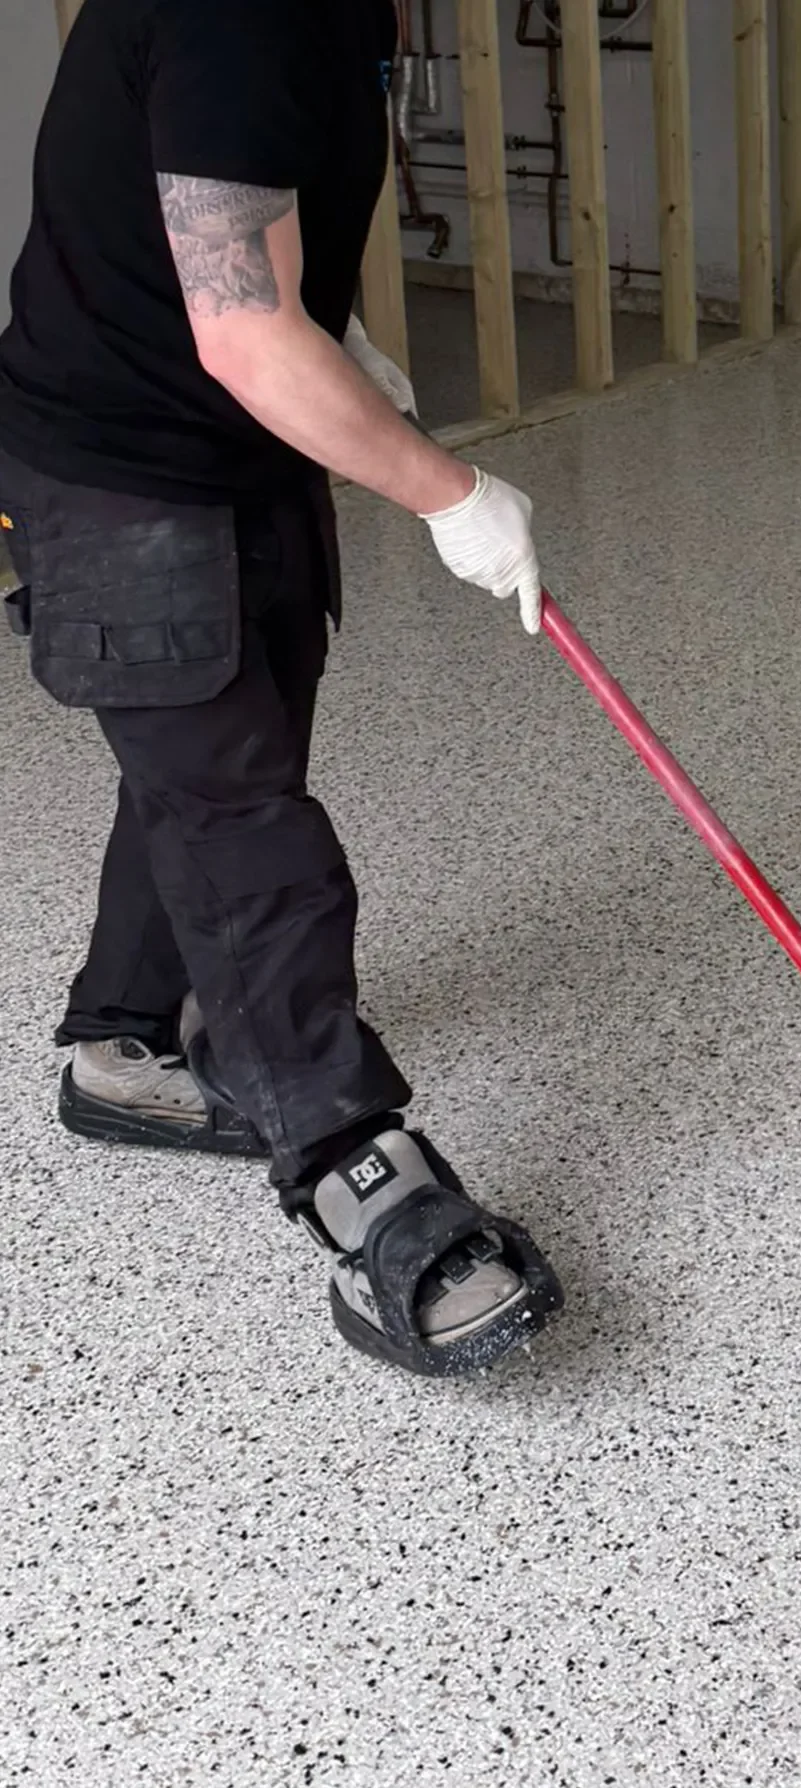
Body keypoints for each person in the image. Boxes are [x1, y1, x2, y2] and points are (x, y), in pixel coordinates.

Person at [0, 0, 562, 1378]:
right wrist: (451, 493)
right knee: (247, 830)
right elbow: (245, 336)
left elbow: (262, 226)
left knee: (216, 753)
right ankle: (356, 1167)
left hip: (237, 450)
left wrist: (343, 327)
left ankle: (124, 1049)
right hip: (122, 467)